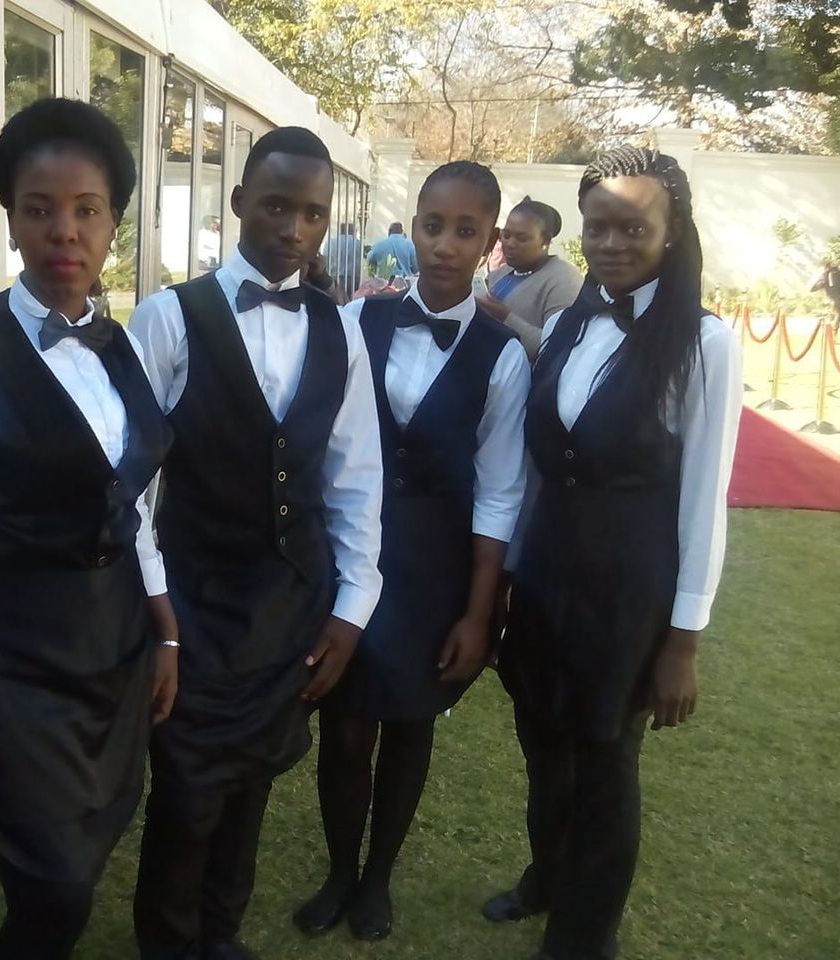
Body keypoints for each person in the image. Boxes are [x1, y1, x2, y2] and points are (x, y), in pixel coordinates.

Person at [0, 98, 178, 960]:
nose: (65, 231)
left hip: (111, 646)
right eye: (40, 209)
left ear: (114, 223)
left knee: (86, 852)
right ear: (11, 219)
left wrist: (164, 629)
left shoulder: (121, 347)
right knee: (54, 884)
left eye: (88, 210)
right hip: (9, 660)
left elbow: (131, 505)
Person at [129, 127, 384, 960]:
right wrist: (158, 615)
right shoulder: (169, 318)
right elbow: (128, 487)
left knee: (252, 783)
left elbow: (355, 478)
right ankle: (169, 944)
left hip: (290, 605)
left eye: (312, 213)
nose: (293, 228)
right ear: (238, 202)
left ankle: (220, 935)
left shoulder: (341, 330)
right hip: (195, 604)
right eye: (276, 206)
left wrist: (351, 609)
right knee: (188, 789)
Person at [486, 147, 743, 960]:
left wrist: (684, 641)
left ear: (673, 231)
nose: (610, 243)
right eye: (597, 227)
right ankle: (547, 876)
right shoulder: (569, 321)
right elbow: (538, 466)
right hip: (547, 576)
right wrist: (506, 577)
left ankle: (584, 935)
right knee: (541, 744)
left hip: (629, 591)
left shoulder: (704, 342)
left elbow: (704, 497)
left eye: (633, 227)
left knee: (603, 764)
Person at [295, 161, 529, 942]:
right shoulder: (359, 321)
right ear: (413, 228)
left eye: (466, 231)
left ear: (489, 242)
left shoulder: (503, 356)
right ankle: (339, 870)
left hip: (435, 568)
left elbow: (500, 492)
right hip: (351, 552)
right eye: (433, 226)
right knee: (345, 725)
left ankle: (378, 879)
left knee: (408, 726)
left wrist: (479, 612)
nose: (445, 245)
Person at [480, 197, 585, 360]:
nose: (510, 243)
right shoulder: (500, 273)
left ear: (545, 240)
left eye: (521, 238)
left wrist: (504, 316)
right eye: (506, 235)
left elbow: (557, 346)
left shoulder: (564, 280)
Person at [325, 221, 365, 295]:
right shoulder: (358, 243)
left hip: (334, 277)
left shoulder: (330, 242)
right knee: (351, 299)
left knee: (335, 298)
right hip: (352, 278)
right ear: (353, 231)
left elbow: (326, 259)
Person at [812, 258, 840, 334]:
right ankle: (832, 332)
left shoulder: (828, 273)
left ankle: (832, 332)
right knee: (837, 315)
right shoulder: (832, 273)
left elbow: (819, 286)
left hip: (833, 297)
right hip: (835, 298)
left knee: (836, 314)